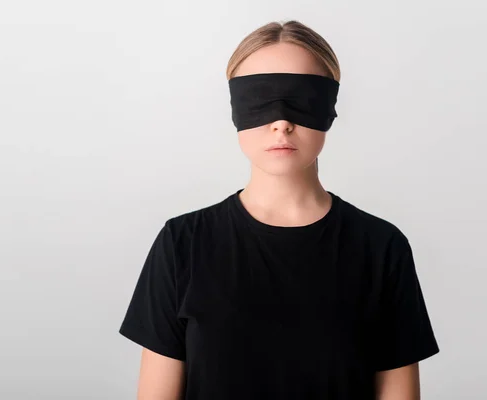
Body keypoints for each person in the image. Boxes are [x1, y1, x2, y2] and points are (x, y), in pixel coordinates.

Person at [119, 20, 440, 400]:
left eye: (302, 100)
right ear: (236, 110)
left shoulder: (381, 247)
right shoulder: (181, 243)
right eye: (260, 99)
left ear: (331, 107)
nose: (282, 123)